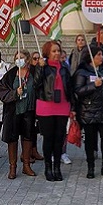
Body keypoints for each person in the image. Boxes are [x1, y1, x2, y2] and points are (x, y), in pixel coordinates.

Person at [34, 40, 75, 181]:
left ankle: (57, 167)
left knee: (59, 138)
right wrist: (39, 68)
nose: (57, 53)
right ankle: (48, 168)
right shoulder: (43, 67)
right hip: (46, 106)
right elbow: (36, 85)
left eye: (58, 50)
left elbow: (70, 87)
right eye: (54, 51)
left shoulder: (64, 67)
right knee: (48, 138)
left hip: (62, 106)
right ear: (47, 53)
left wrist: (73, 107)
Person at [74, 45, 103, 179]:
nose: (101, 57)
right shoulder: (82, 72)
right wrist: (93, 86)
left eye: (102, 55)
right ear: (91, 57)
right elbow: (78, 90)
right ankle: (91, 167)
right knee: (90, 142)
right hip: (89, 112)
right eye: (98, 55)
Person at [0, 50, 40, 179]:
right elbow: (2, 91)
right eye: (17, 57)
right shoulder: (10, 75)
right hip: (14, 111)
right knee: (12, 138)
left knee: (28, 137)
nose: (19, 60)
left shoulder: (34, 72)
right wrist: (15, 93)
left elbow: (42, 85)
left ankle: (26, 165)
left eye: (21, 57)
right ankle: (13, 167)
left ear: (27, 59)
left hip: (29, 110)